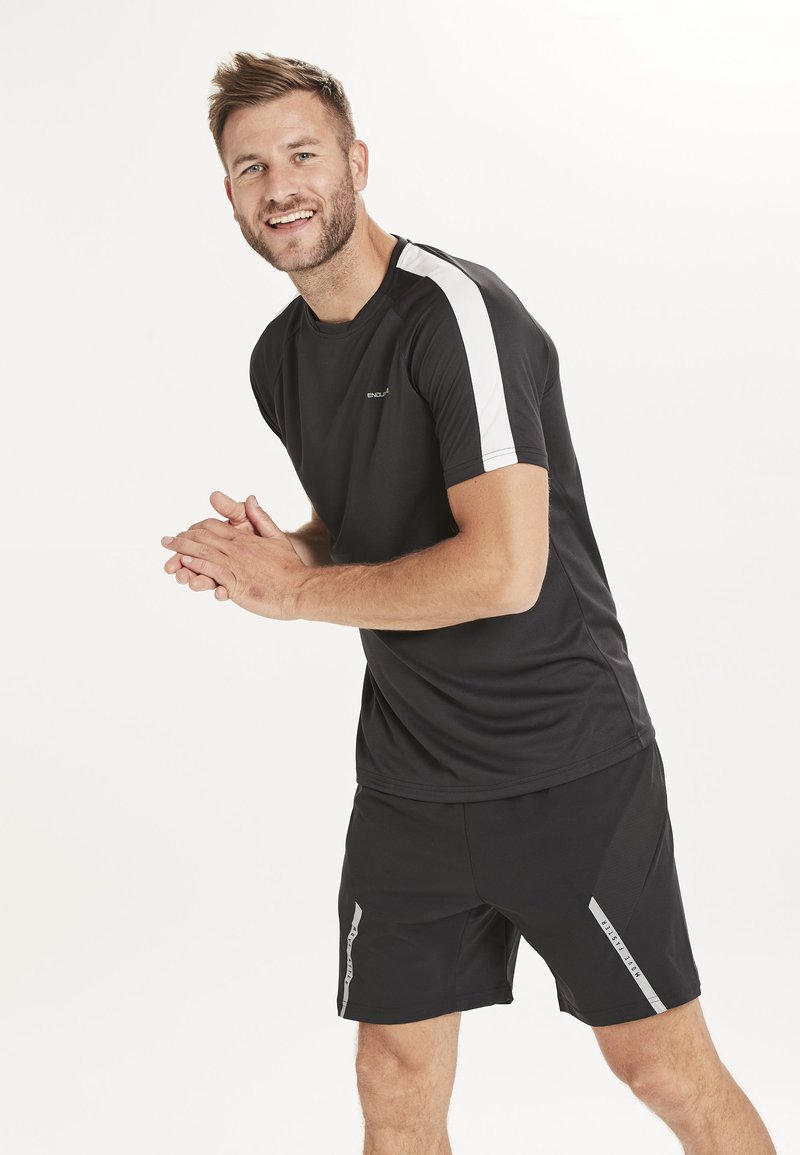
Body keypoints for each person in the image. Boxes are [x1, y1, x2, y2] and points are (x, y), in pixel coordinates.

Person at [160, 52, 777, 1155]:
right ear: (229, 195)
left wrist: (296, 595)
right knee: (391, 1071)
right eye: (251, 167)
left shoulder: (459, 314)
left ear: (356, 163)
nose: (281, 186)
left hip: (563, 767)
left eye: (302, 154)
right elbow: (375, 523)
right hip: (409, 778)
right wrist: (281, 553)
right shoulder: (278, 360)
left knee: (659, 1066)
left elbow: (503, 569)